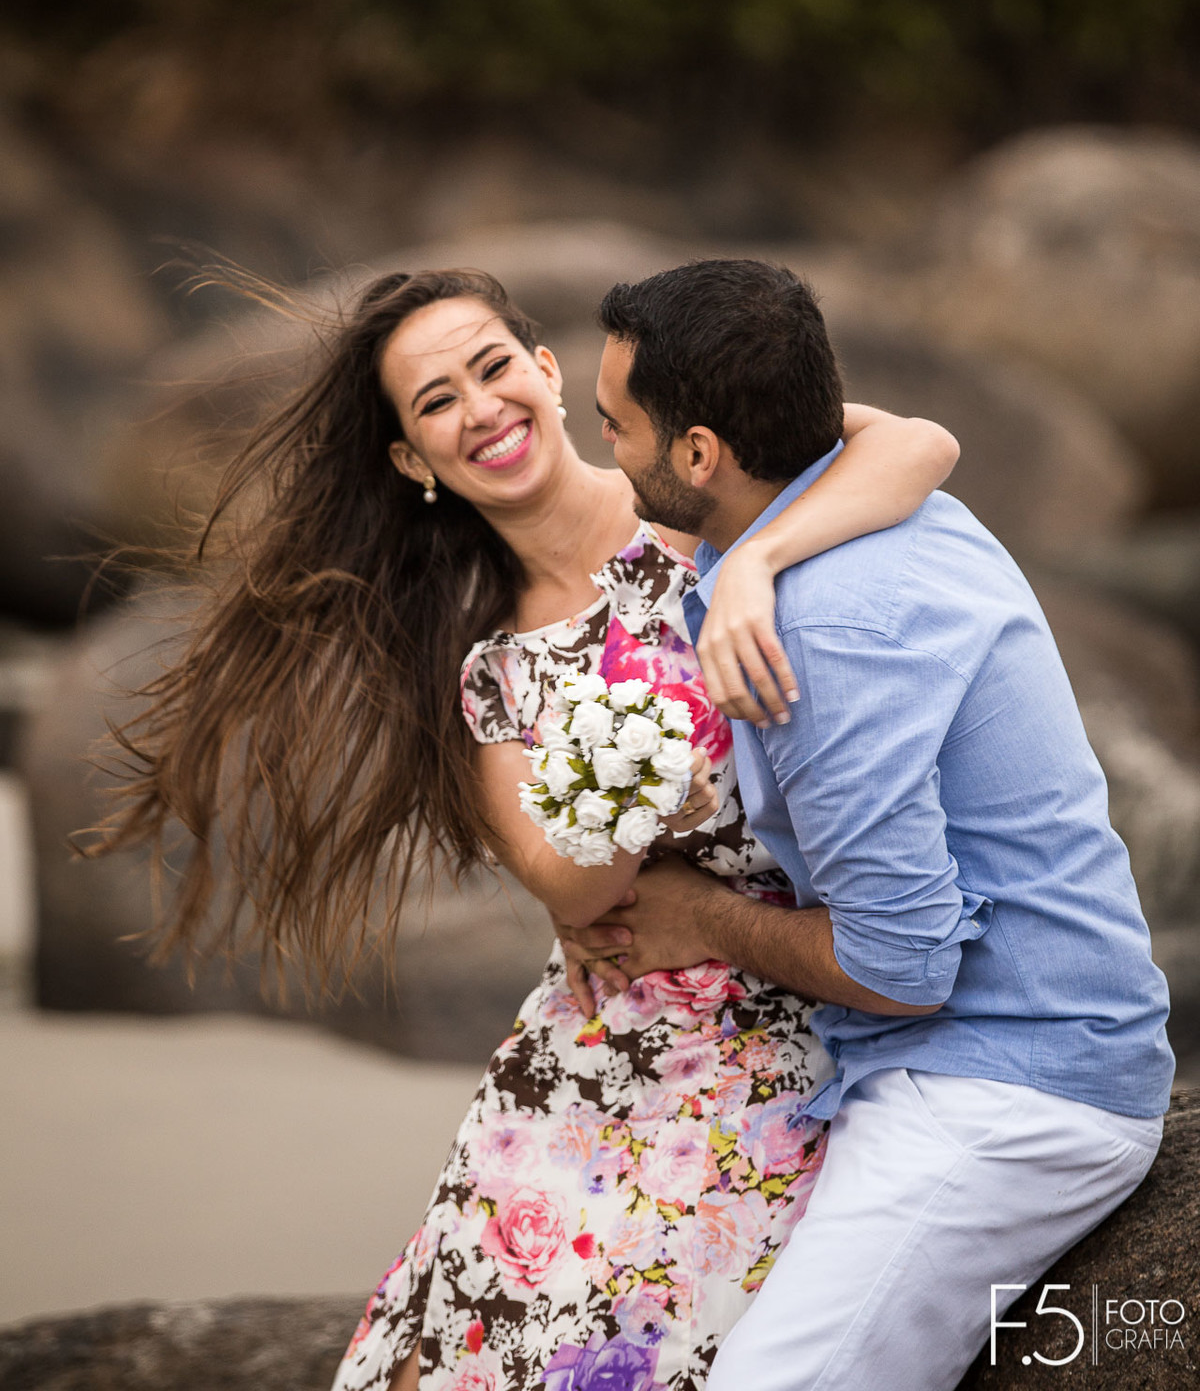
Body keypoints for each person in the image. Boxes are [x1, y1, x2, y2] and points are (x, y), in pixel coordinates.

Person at [92, 265, 958, 1391]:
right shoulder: (488, 664)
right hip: (598, 1031)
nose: (481, 408)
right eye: (436, 401)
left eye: (494, 367)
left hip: (782, 1010)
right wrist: (645, 783)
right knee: (444, 1350)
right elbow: (571, 890)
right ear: (414, 460)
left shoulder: (698, 500)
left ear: (548, 373)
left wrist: (758, 569)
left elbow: (920, 445)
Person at [561, 257, 1174, 1391]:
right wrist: (754, 562)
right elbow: (906, 434)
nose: (603, 448)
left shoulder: (821, 631)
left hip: (1006, 1086)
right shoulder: (872, 497)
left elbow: (905, 968)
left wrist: (699, 915)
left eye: (615, 429)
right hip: (940, 1055)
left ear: (700, 454)